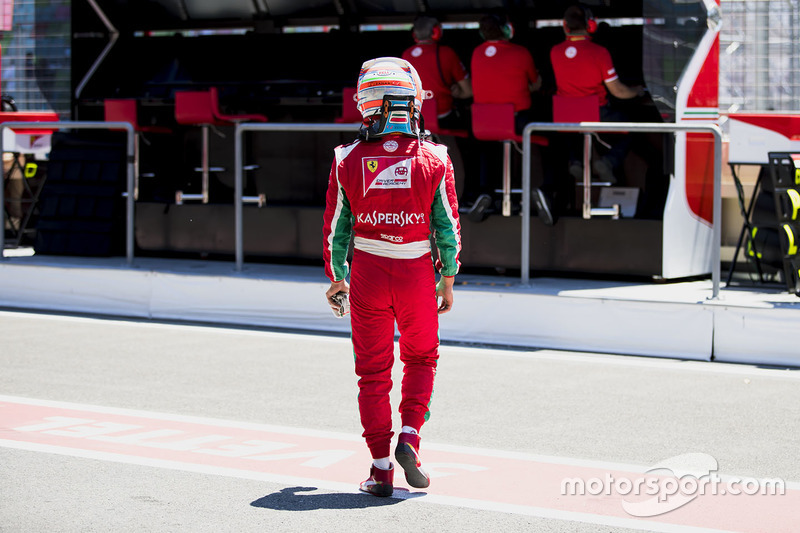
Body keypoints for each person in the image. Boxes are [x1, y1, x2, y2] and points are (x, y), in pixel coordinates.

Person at [322, 57, 462, 498]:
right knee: (422, 359)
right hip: (417, 272)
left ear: (365, 103)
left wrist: (337, 278)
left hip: (366, 273)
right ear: (413, 101)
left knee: (372, 372)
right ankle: (410, 438)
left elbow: (335, 228)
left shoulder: (345, 158)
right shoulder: (436, 156)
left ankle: (381, 469)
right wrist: (449, 277)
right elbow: (449, 227)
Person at [550, 4, 644, 185]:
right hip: (596, 115)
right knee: (633, 128)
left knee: (573, 130)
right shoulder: (600, 53)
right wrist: (637, 91)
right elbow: (618, 91)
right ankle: (608, 161)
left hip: (565, 116)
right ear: (591, 25)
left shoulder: (554, 52)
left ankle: (576, 161)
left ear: (565, 26)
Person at [469, 13, 550, 223]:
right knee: (555, 138)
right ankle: (546, 191)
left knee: (488, 147)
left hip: (483, 123)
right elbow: (535, 84)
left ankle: (487, 192)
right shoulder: (521, 53)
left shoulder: (476, 53)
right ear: (507, 30)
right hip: (517, 121)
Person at [401, 15, 472, 131]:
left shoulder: (406, 55)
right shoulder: (447, 53)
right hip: (443, 117)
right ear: (436, 32)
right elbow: (468, 91)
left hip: (414, 120)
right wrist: (457, 93)